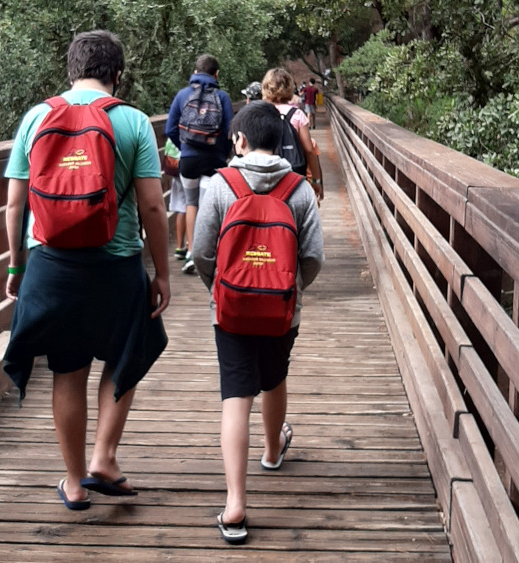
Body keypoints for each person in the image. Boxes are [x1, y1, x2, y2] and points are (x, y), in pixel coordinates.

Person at [2, 31, 170, 510]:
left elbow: (15, 204)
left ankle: (74, 482)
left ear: (70, 72)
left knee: (67, 370)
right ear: (117, 75)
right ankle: (105, 456)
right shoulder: (133, 122)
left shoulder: (37, 117)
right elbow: (154, 208)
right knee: (125, 354)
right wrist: (162, 273)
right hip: (116, 265)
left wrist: (17, 264)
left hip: (52, 265)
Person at [191, 101, 323, 544]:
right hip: (283, 311)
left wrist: (222, 287)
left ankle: (235, 505)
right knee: (274, 377)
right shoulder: (298, 189)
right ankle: (271, 452)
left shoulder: (220, 185)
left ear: (240, 141)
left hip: (229, 311)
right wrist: (289, 289)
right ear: (280, 140)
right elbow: (313, 258)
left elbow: (201, 252)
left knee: (236, 395)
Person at [165, 54, 234, 275]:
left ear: (195, 72)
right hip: (214, 159)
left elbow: (169, 130)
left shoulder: (183, 95)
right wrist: (221, 153)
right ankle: (211, 253)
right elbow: (230, 130)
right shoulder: (222, 97)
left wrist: (185, 145)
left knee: (191, 203)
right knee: (211, 206)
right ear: (217, 74)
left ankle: (191, 253)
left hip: (189, 160)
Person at [261, 68, 324, 203]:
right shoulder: (296, 114)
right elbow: (309, 150)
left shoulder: (260, 113)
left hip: (266, 176)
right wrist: (316, 180)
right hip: (292, 176)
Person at [163, 138, 188, 260]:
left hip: (175, 163)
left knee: (182, 208)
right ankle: (190, 245)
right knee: (193, 205)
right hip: (190, 161)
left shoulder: (176, 121)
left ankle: (179, 246)